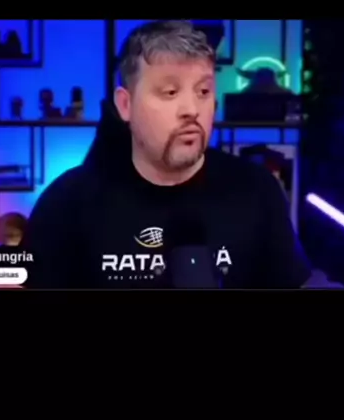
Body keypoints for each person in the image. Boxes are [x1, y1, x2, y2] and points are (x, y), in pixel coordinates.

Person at [21, 20, 311, 289]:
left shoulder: (257, 191)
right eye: (170, 92)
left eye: (203, 91)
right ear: (125, 105)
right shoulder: (67, 203)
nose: (191, 109)